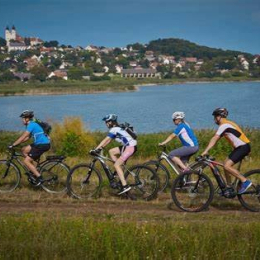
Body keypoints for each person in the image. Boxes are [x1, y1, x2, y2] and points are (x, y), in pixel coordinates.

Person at [201, 108, 251, 194]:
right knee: (225, 164)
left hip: (243, 147)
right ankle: (229, 187)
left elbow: (215, 138)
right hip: (241, 147)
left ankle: (245, 181)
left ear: (219, 117)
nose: (214, 120)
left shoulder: (224, 126)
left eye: (215, 117)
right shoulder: (228, 124)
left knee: (227, 166)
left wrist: (206, 151)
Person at [94, 114, 137, 195]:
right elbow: (109, 140)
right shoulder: (118, 128)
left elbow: (106, 139)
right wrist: (100, 148)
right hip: (129, 146)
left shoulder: (114, 129)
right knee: (111, 151)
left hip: (129, 148)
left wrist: (96, 149)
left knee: (116, 165)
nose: (106, 124)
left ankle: (125, 186)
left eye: (107, 122)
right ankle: (119, 171)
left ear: (111, 122)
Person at [10, 110, 51, 185]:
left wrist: (14, 144)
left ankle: (39, 177)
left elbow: (24, 136)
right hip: (39, 144)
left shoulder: (31, 125)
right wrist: (18, 143)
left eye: (23, 118)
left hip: (42, 145)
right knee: (24, 150)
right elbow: (27, 137)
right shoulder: (32, 124)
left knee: (26, 161)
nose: (22, 120)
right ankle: (34, 169)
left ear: (27, 118)